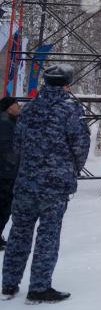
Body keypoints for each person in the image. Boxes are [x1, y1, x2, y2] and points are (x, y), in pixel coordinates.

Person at [2, 64, 89, 303]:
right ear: (66, 85)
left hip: (25, 182)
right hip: (54, 185)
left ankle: (9, 284)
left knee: (19, 233)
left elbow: (17, 145)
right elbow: (80, 147)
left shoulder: (28, 110)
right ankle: (39, 288)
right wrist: (71, 169)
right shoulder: (71, 110)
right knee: (47, 236)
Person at [0, 97, 21, 250]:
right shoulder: (5, 123)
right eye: (15, 103)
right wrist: (19, 162)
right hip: (5, 173)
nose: (18, 105)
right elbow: (7, 149)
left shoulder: (11, 121)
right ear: (8, 107)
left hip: (8, 172)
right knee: (4, 207)